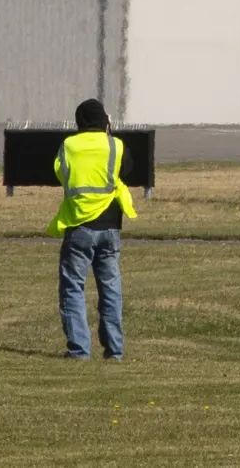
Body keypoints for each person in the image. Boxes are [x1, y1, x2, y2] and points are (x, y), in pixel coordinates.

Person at [50, 99, 136, 360]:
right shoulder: (115, 145)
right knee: (110, 288)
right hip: (110, 226)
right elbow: (127, 170)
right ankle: (114, 350)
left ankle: (79, 349)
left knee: (73, 287)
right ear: (105, 122)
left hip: (79, 225)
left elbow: (59, 173)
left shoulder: (68, 146)